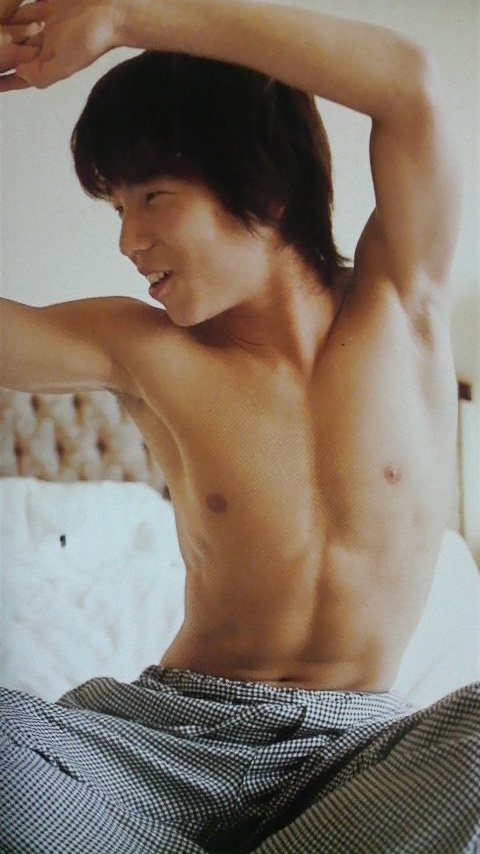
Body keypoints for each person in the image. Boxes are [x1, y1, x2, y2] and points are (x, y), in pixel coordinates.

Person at [1, 1, 478, 852]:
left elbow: (409, 86)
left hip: (354, 767)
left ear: (264, 187)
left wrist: (119, 17)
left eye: (152, 197)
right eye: (116, 209)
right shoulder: (142, 350)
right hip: (157, 751)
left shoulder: (401, 305)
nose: (128, 241)